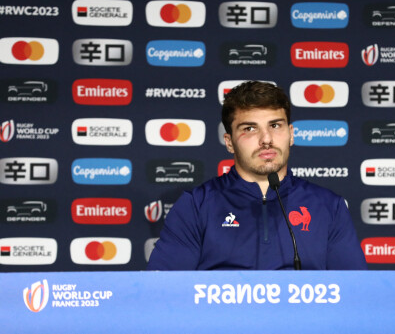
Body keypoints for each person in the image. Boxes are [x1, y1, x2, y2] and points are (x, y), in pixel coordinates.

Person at [147, 81, 366, 270]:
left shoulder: (329, 207)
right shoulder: (195, 206)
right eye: (250, 129)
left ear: (291, 134)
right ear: (230, 142)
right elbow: (164, 295)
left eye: (275, 125)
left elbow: (355, 295)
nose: (266, 139)